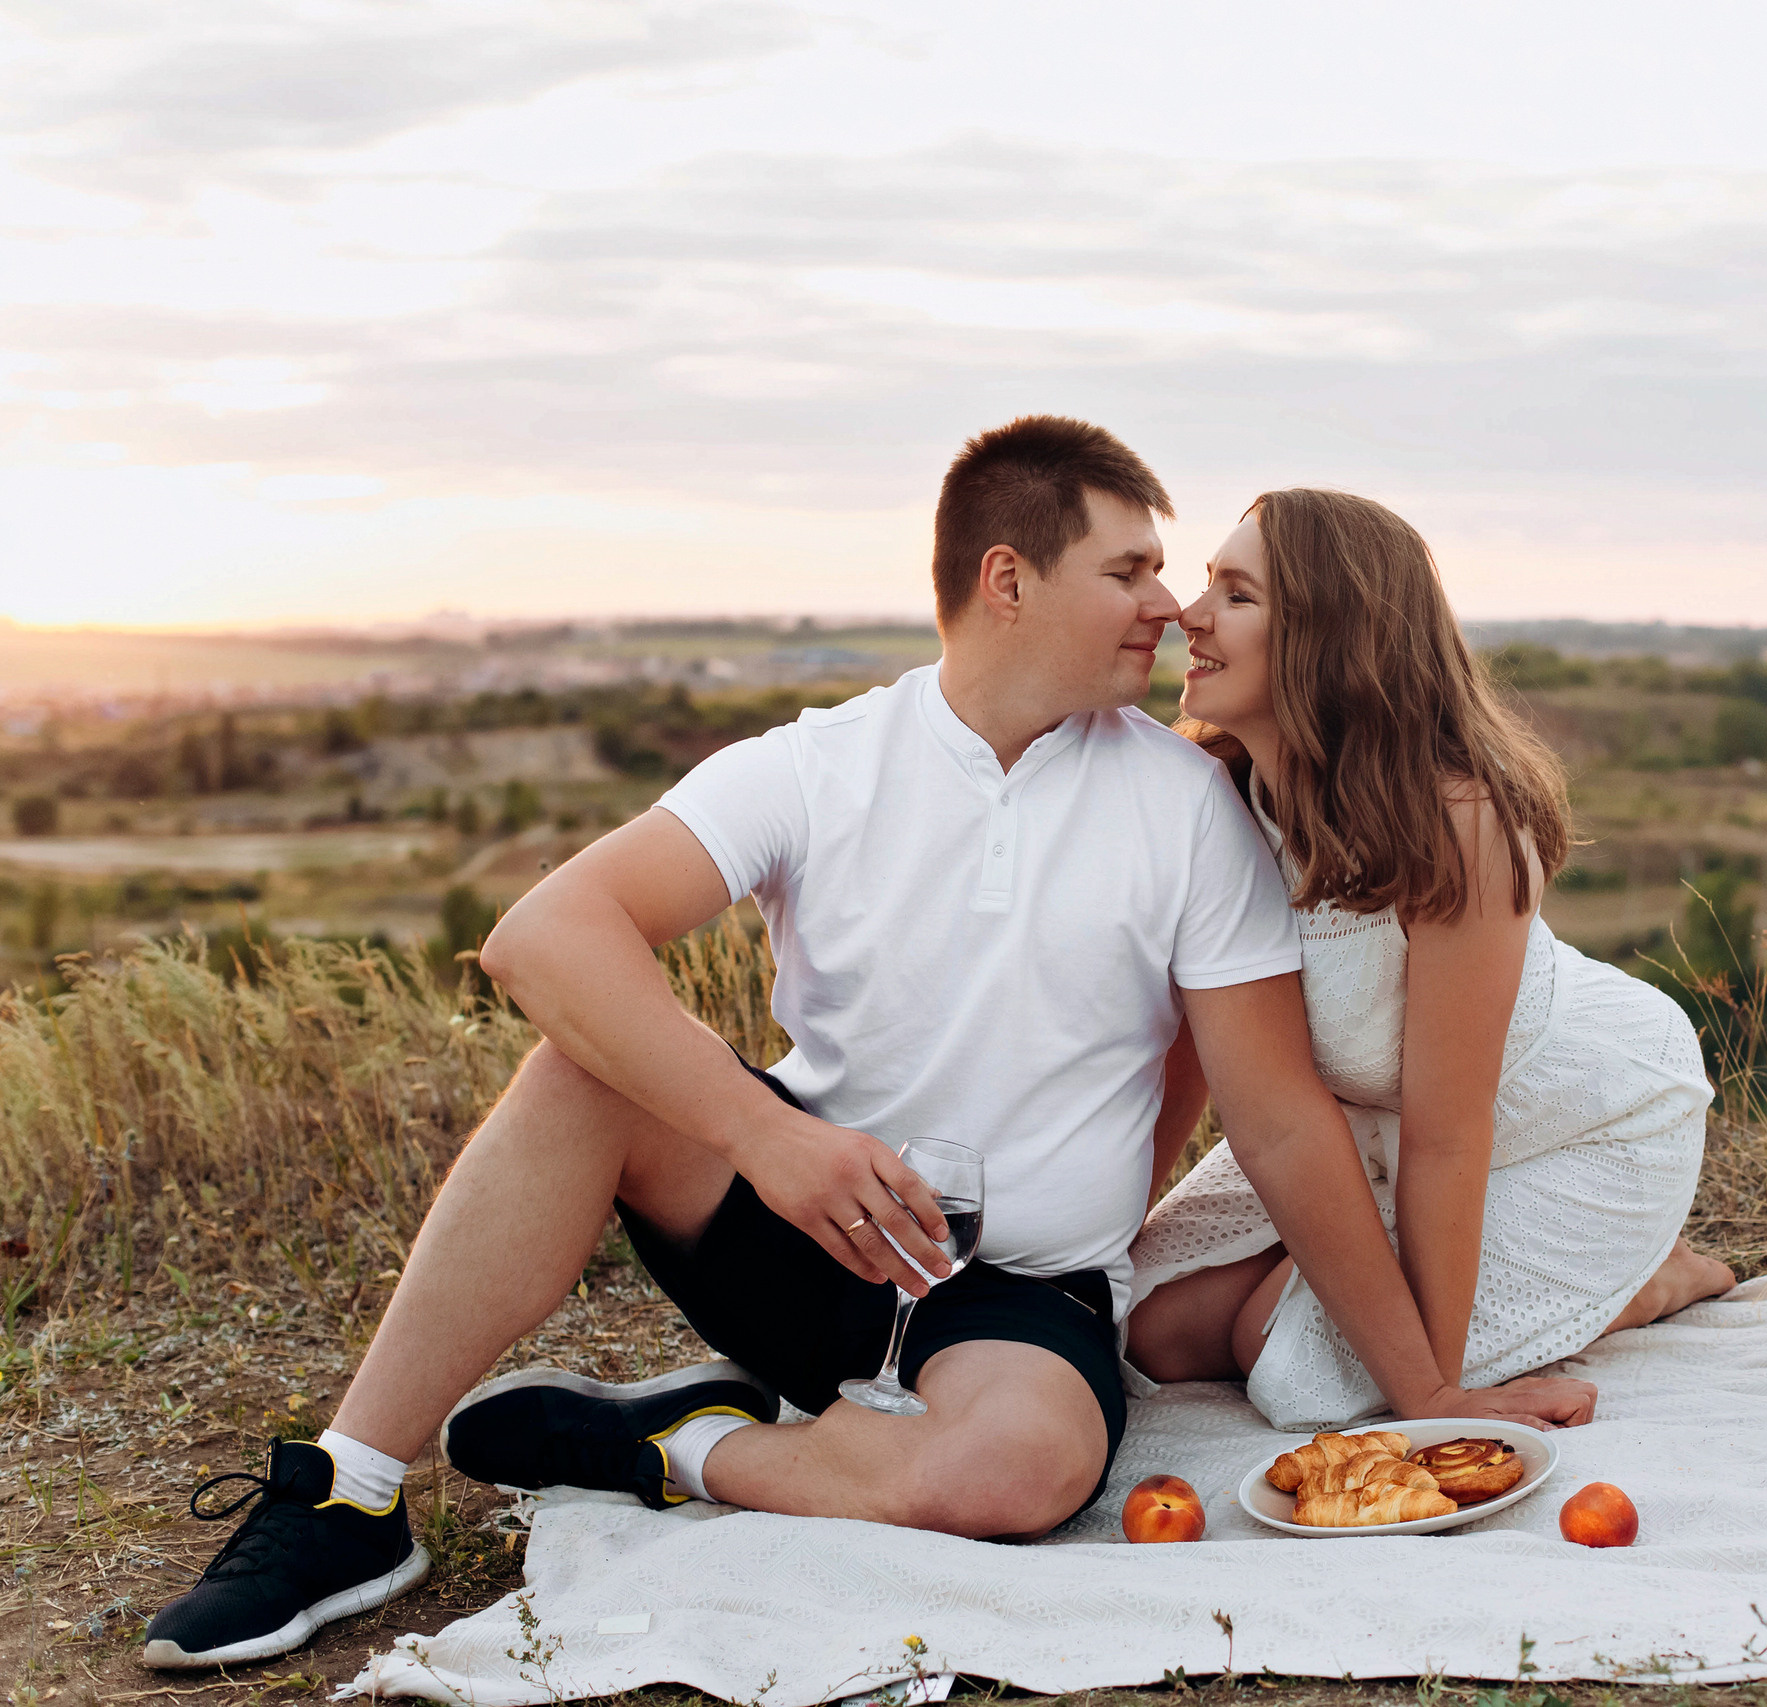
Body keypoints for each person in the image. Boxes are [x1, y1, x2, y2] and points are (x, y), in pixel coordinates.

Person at [142, 421, 1594, 1671]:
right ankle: (349, 1488)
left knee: (1025, 1470)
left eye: (1178, 573)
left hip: (1018, 1295)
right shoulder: (815, 763)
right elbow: (544, 935)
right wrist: (775, 1139)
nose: (1167, 605)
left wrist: (1427, 1394)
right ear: (1007, 579)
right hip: (800, 1234)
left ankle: (678, 1444)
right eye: (1131, 569)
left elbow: (1279, 1123)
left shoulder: (1189, 805)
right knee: (585, 1062)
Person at [1123, 489, 1732, 1429]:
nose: (1186, 614)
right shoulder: (1215, 792)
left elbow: (1452, 1135)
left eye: (1235, 595)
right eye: (1207, 584)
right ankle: (1356, 1279)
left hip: (1576, 1123)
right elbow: (1188, 1058)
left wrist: (1434, 1393)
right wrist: (1102, 1241)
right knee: (1153, 1330)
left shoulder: (1458, 822)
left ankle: (1654, 1275)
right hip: (1369, 1137)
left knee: (1287, 1373)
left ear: (1332, 638)